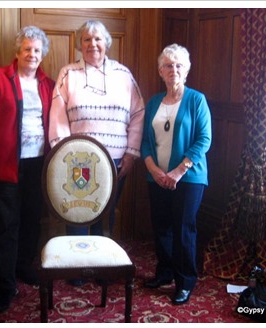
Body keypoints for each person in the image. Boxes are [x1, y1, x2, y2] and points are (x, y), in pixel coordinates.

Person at [0, 26, 55, 313]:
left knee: (32, 219)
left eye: (37, 50)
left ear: (42, 53)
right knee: (5, 226)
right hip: (5, 167)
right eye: (27, 49)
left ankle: (23, 267)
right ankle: (5, 285)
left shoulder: (48, 83)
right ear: (17, 52)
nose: (32, 54)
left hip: (38, 165)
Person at [49, 20, 145, 243]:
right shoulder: (68, 74)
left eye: (98, 39)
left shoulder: (123, 74)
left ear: (106, 43)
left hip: (115, 160)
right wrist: (62, 155)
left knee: (105, 211)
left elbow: (138, 112)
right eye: (87, 39)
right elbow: (57, 116)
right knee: (77, 213)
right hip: (76, 160)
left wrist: (131, 153)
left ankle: (101, 265)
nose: (93, 44)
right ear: (80, 44)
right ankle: (77, 265)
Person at [141, 44, 212, 305]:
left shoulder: (196, 100)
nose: (174, 70)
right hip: (157, 177)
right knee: (162, 228)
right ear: (161, 71)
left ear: (187, 70)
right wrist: (154, 170)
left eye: (179, 65)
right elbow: (146, 142)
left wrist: (179, 171)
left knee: (183, 230)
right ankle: (165, 272)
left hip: (189, 179)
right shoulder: (153, 103)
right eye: (168, 65)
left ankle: (185, 282)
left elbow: (204, 139)